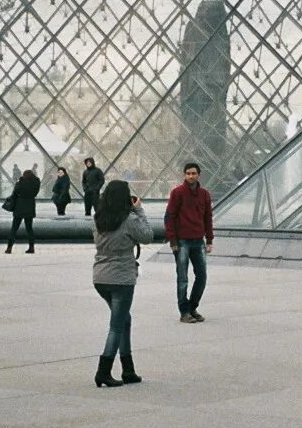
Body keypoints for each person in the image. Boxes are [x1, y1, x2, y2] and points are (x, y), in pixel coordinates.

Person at [91, 180, 154, 388]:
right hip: (121, 278)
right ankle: (103, 371)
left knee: (124, 319)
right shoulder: (128, 219)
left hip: (100, 277)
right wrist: (140, 210)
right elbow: (148, 236)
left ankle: (128, 369)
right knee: (116, 326)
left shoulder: (98, 219)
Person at [165, 161, 213, 324]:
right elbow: (169, 217)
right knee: (183, 278)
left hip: (198, 240)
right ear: (184, 175)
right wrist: (173, 241)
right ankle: (184, 311)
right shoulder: (177, 193)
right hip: (182, 241)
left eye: (193, 173)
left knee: (202, 276)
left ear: (199, 175)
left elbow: (208, 217)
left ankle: (192, 307)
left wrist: (209, 239)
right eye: (188, 173)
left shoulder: (205, 194)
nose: (191, 176)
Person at [4, 169, 41, 253]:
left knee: (14, 228)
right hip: (30, 206)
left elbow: (15, 193)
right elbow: (35, 194)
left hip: (19, 206)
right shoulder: (36, 183)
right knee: (29, 229)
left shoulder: (20, 183)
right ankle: (31, 247)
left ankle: (9, 248)